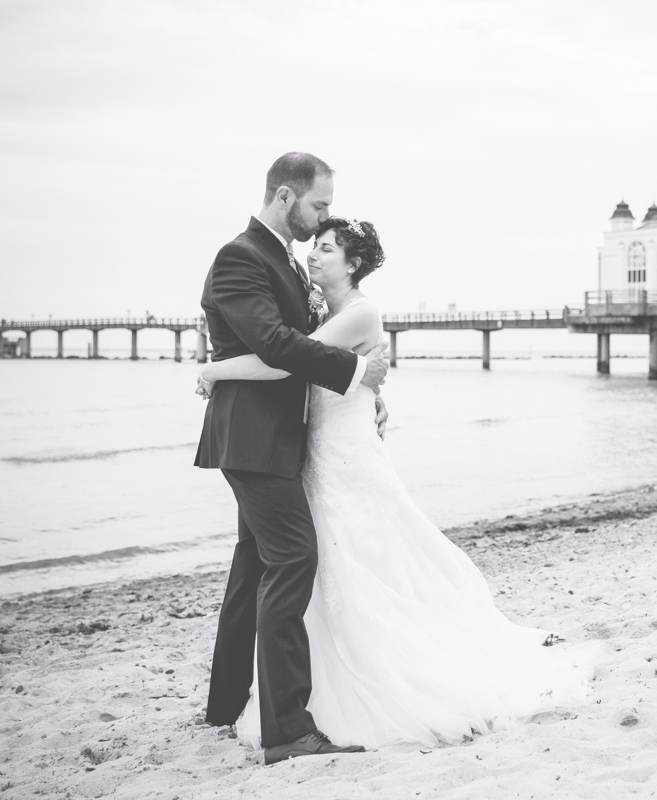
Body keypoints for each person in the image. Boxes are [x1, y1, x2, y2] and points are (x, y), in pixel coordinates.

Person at [197, 216, 592, 755]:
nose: (315, 254)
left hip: (341, 456)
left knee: (358, 562)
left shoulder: (360, 311)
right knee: (313, 565)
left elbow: (284, 362)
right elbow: (326, 364)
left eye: (328, 248)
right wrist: (368, 385)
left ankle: (310, 699)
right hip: (313, 452)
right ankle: (252, 700)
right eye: (315, 245)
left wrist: (214, 371)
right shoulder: (323, 308)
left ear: (353, 263)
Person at [195, 153, 390, 765]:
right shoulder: (241, 258)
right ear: (285, 196)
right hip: (252, 439)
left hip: (280, 438)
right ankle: (286, 731)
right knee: (294, 558)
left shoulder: (279, 258)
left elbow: (301, 344)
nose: (323, 217)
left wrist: (366, 395)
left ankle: (226, 704)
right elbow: (278, 346)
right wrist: (359, 371)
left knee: (255, 564)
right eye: (319, 206)